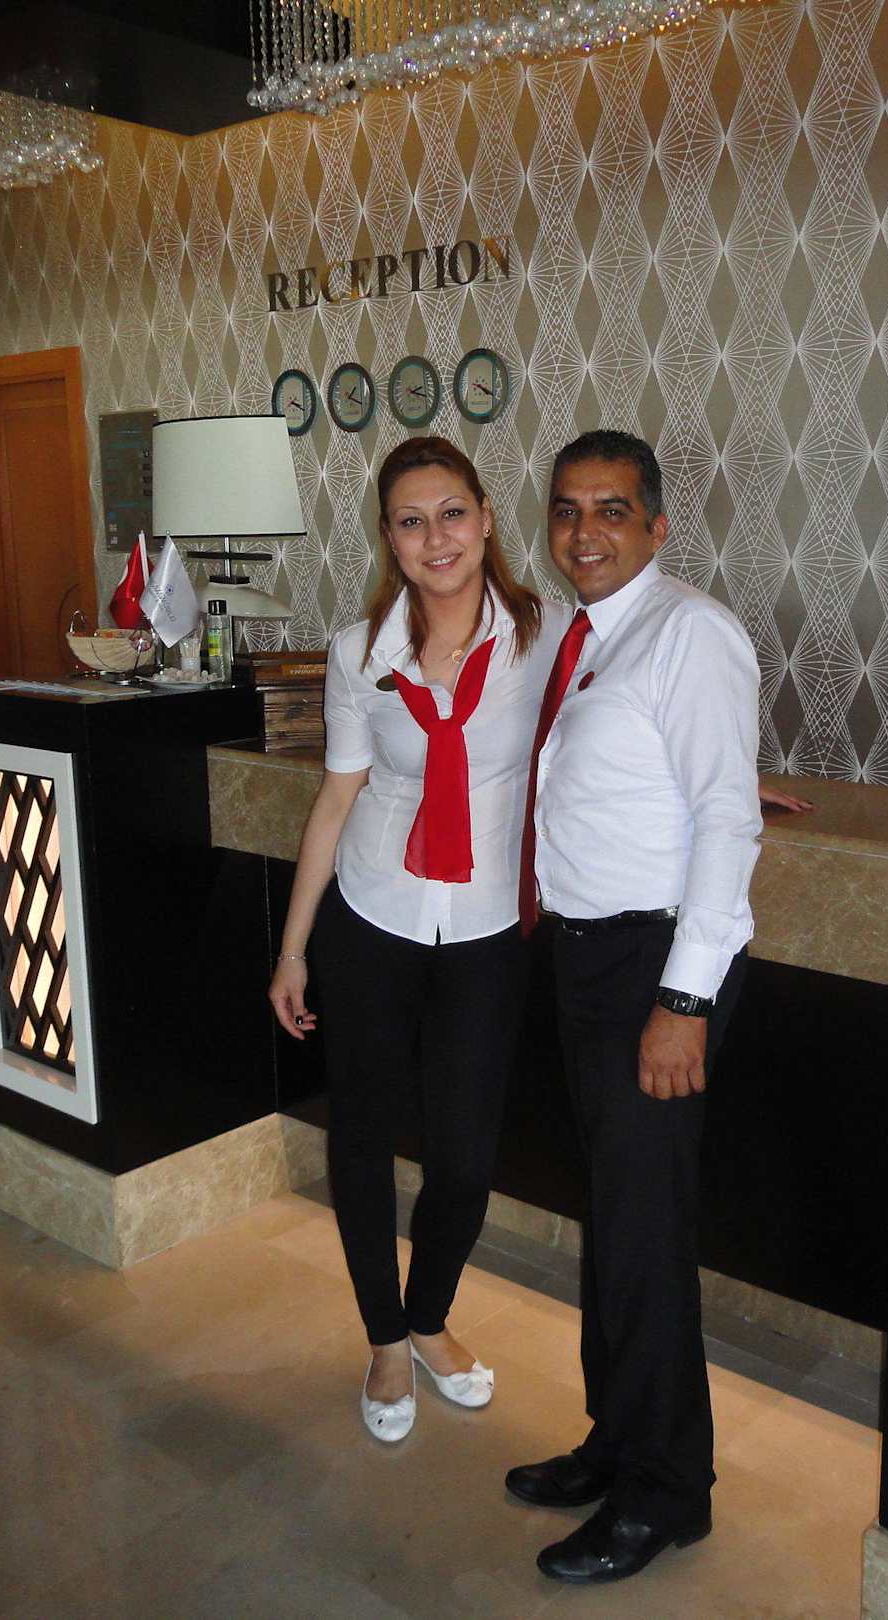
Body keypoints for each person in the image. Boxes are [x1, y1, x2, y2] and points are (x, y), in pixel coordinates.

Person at [267, 435, 566, 1443]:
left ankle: (430, 1313)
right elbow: (337, 796)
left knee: (466, 1157)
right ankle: (387, 1337)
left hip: (486, 929)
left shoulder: (545, 637)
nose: (435, 538)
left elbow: (624, 731)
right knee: (361, 1136)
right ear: (389, 541)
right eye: (410, 521)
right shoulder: (361, 652)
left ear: (485, 519)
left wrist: (726, 783)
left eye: (451, 513)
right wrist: (294, 949)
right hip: (373, 917)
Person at [505, 429, 763, 1584]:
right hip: (588, 958)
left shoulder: (690, 633)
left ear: (658, 525)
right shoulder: (585, 638)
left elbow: (726, 821)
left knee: (647, 1234)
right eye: (567, 510)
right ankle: (618, 1442)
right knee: (615, 1221)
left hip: (656, 966)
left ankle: (665, 1494)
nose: (585, 531)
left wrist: (684, 998)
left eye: (611, 509)